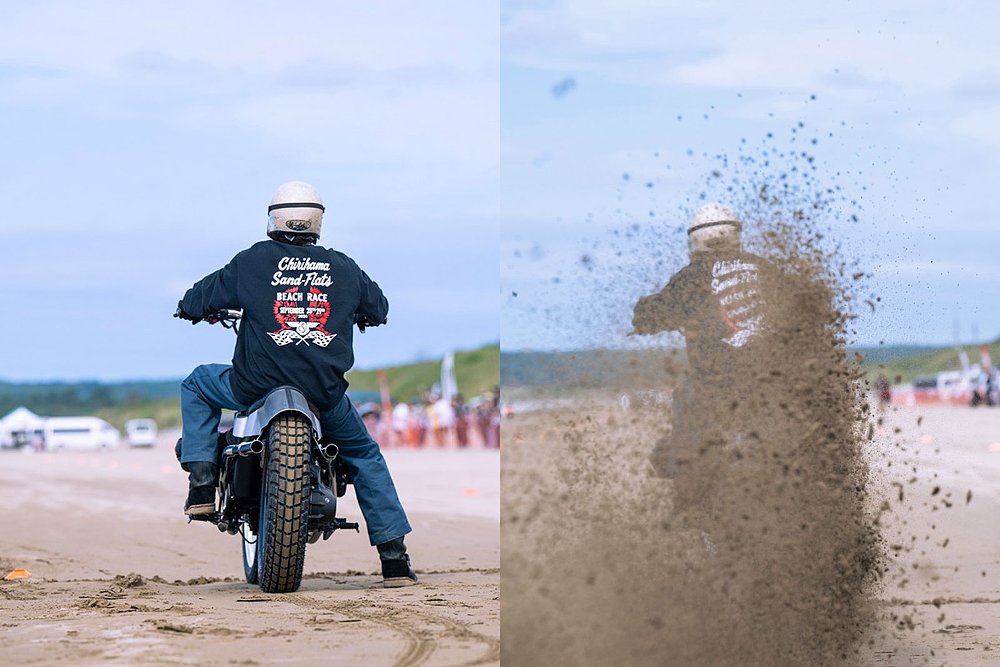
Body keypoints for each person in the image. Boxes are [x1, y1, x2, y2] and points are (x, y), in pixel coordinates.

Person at [174, 181, 417, 587]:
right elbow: (380, 308)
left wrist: (192, 309)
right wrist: (358, 312)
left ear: (273, 217)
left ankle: (201, 484)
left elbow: (198, 298)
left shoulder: (252, 261)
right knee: (365, 458)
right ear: (318, 221)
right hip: (323, 393)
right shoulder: (344, 267)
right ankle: (394, 560)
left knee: (197, 384)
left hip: (254, 385)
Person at [631, 203, 784, 484]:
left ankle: (688, 493)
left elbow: (653, 313)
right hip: (776, 379)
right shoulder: (766, 269)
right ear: (735, 235)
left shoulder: (692, 276)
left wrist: (641, 318)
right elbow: (807, 303)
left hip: (715, 384)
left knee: (683, 412)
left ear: (696, 240)